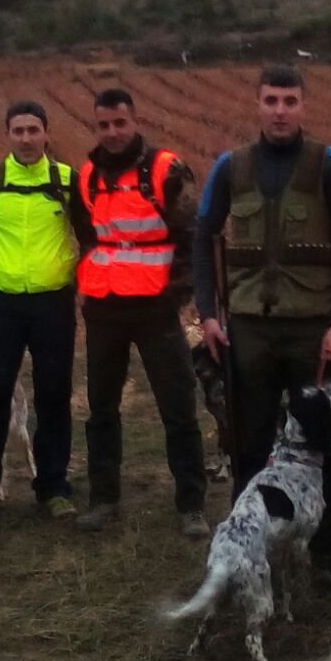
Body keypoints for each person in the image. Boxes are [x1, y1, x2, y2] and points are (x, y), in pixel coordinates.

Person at [193, 65, 331, 588]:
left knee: (319, 444)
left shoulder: (330, 165)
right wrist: (207, 315)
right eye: (272, 100)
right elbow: (203, 238)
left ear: (303, 106)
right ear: (258, 105)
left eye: (290, 100)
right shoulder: (230, 167)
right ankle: (252, 542)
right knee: (249, 441)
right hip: (248, 330)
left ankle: (325, 551)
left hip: (313, 329)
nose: (281, 110)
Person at [71, 88, 209, 539]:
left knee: (178, 407)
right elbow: (86, 233)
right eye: (104, 125)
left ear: (134, 121)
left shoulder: (167, 169)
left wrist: (176, 296)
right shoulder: (87, 174)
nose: (112, 132)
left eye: (120, 123)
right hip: (105, 307)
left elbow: (193, 236)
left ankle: (191, 505)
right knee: (101, 409)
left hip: (155, 307)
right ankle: (103, 498)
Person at [0, 101, 78, 533]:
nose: (26, 138)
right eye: (18, 130)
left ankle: (55, 488)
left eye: (34, 130)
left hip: (52, 302)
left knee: (54, 396)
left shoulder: (66, 180)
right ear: (6, 135)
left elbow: (92, 236)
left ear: (46, 133)